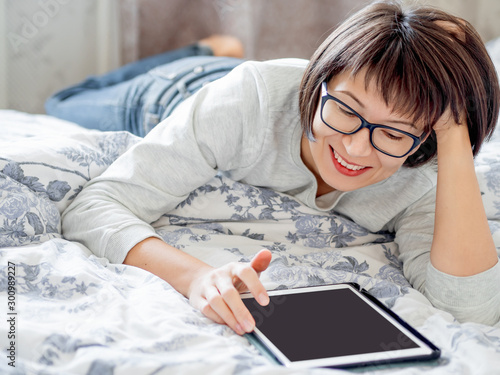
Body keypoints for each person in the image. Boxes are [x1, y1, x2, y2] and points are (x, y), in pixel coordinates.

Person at [51, 0, 500, 335]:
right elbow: (96, 204)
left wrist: (459, 133)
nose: (357, 149)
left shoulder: (424, 174)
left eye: (394, 132)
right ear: (319, 79)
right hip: (173, 93)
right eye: (345, 109)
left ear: (427, 139)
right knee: (61, 103)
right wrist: (195, 276)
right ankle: (204, 50)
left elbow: (470, 309)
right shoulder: (251, 97)